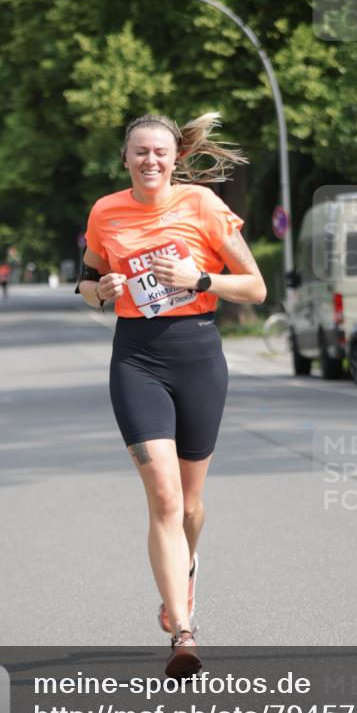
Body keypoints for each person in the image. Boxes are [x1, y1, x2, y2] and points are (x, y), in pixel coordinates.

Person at [76, 112, 266, 677]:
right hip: (136, 357)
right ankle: (183, 632)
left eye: (159, 151)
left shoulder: (203, 206)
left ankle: (183, 574)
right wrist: (101, 290)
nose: (150, 160)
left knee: (188, 503)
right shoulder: (105, 212)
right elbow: (84, 283)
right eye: (140, 151)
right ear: (125, 157)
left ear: (175, 157)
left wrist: (199, 280)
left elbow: (255, 288)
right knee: (162, 497)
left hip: (199, 355)